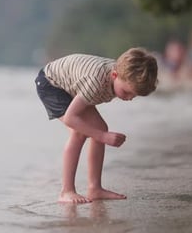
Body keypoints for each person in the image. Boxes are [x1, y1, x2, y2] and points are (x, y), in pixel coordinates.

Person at [35, 48, 158, 204]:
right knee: (79, 133)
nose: (130, 98)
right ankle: (66, 191)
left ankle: (95, 188)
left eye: (134, 95)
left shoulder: (120, 75)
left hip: (73, 84)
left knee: (99, 128)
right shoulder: (96, 83)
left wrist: (101, 134)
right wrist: (102, 137)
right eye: (127, 92)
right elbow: (71, 118)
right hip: (52, 84)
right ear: (114, 75)